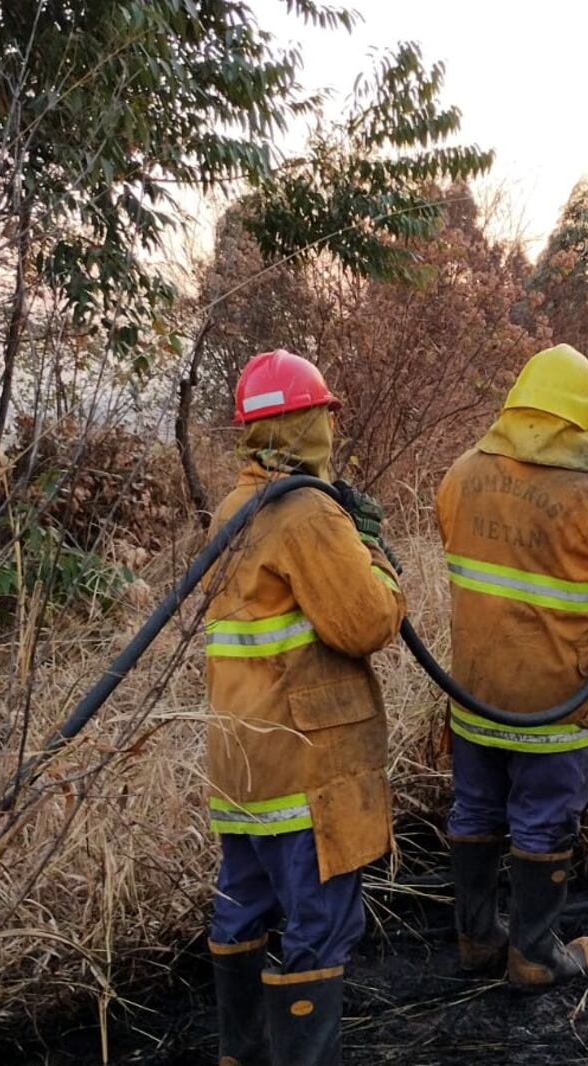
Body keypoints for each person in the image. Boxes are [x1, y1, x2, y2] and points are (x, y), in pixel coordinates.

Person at [435, 343, 588, 987]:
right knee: (543, 820)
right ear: (583, 422)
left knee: (477, 812)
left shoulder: (460, 474)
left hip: (475, 699)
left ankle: (478, 939)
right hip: (557, 706)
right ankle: (535, 954)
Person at [203, 349, 405, 1066]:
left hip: (240, 762)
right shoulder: (307, 511)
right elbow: (367, 623)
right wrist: (374, 552)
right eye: (323, 412)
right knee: (317, 925)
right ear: (307, 421)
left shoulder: (233, 508)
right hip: (306, 765)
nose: (328, 423)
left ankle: (243, 1054)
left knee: (243, 905)